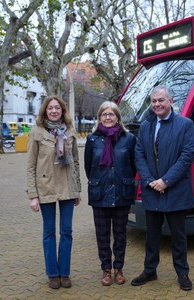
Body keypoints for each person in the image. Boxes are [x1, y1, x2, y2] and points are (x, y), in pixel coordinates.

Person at [131, 85, 194, 291]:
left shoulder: (186, 124)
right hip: (152, 190)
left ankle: (182, 274)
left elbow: (186, 157)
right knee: (151, 236)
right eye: (154, 101)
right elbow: (139, 154)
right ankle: (150, 271)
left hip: (175, 190)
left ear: (171, 101)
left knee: (178, 237)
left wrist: (165, 181)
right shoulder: (145, 126)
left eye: (161, 100)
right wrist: (150, 180)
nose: (157, 104)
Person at [26, 95, 82, 289]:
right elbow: (31, 165)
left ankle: (64, 273)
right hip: (45, 188)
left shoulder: (70, 131)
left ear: (62, 110)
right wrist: (33, 195)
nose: (54, 111)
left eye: (57, 108)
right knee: (49, 232)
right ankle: (52, 273)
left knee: (66, 231)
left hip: (67, 188)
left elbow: (75, 161)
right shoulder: (37, 132)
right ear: (45, 111)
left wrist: (78, 190)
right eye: (50, 108)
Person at [84, 101, 137, 286]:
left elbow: (133, 165)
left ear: (117, 117)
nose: (108, 117)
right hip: (100, 193)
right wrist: (100, 181)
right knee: (102, 234)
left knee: (121, 234)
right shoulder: (92, 140)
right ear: (99, 117)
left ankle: (119, 267)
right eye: (104, 114)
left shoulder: (128, 138)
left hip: (122, 192)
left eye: (111, 114)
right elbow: (88, 167)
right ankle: (106, 269)